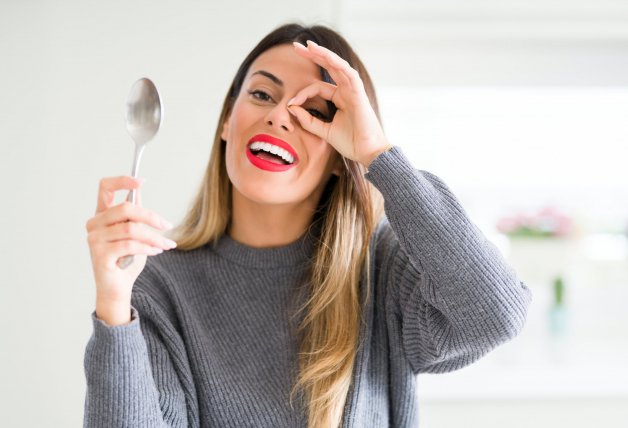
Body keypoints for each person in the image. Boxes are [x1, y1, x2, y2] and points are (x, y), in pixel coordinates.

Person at [83, 23, 532, 428]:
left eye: (315, 111)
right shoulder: (161, 286)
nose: (279, 116)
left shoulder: (382, 271)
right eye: (262, 94)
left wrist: (377, 155)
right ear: (226, 121)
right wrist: (114, 305)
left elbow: (496, 312)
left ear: (342, 156)